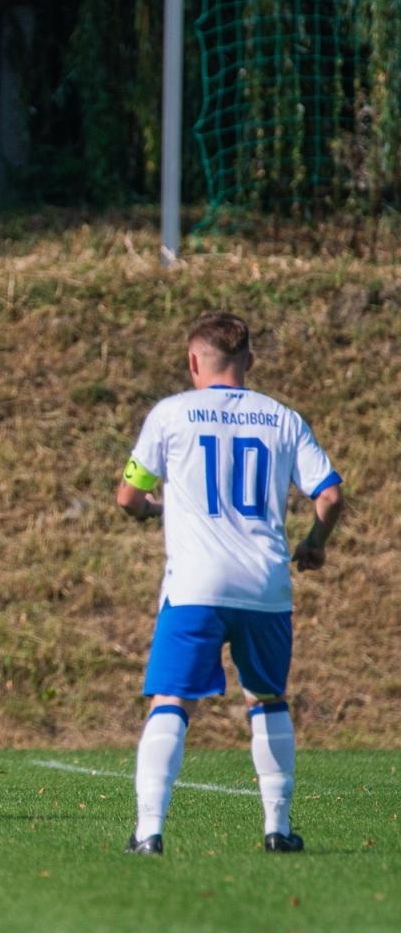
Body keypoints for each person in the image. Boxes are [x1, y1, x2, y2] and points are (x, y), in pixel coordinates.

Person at [117, 311, 343, 855]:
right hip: (265, 583)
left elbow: (127, 496)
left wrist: (153, 509)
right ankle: (278, 829)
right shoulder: (282, 418)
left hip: (195, 585)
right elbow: (330, 495)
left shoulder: (170, 414)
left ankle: (149, 831)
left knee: (171, 701)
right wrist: (314, 543)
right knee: (267, 699)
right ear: (250, 363)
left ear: (194, 361)